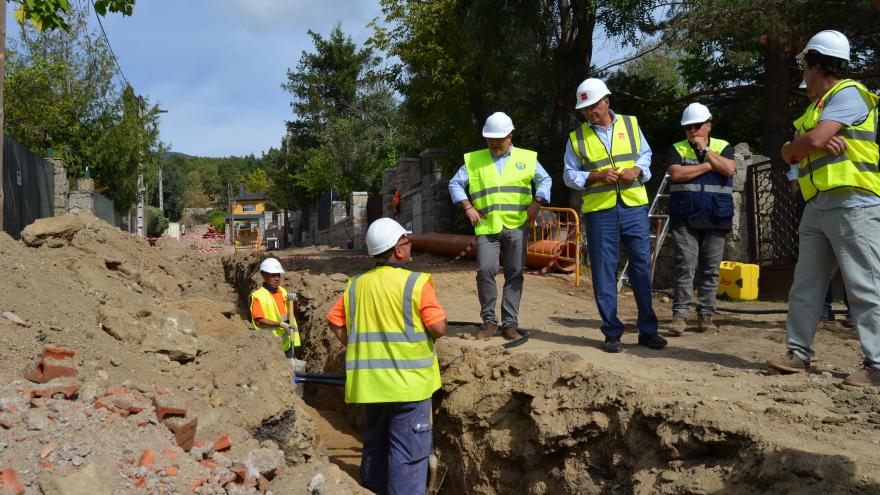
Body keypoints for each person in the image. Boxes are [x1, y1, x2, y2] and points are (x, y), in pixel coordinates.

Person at [767, 30, 880, 386]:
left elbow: (810, 142)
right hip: (818, 203)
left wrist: (800, 145)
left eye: (804, 64)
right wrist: (795, 147)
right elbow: (798, 149)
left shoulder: (848, 95)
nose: (802, 71)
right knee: (806, 284)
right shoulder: (818, 108)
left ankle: (877, 365)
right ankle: (798, 354)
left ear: (816, 64)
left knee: (865, 284)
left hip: (854, 200)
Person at [327, 218, 447, 495]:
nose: (410, 244)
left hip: (371, 385)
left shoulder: (356, 285)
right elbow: (438, 327)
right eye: (407, 240)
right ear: (398, 250)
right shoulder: (416, 283)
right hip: (409, 385)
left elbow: (335, 321)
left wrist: (358, 344)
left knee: (376, 447)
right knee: (407, 454)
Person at [563, 78, 667, 353]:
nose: (589, 112)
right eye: (585, 109)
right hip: (600, 213)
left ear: (607, 101)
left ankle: (648, 331)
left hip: (633, 205)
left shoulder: (631, 124)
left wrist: (638, 169)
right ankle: (611, 332)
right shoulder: (576, 138)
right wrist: (594, 176)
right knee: (603, 272)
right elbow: (569, 175)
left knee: (642, 267)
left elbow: (646, 154)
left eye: (593, 106)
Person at [448, 112, 552, 340]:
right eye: (490, 139)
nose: (495, 143)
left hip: (517, 225)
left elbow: (545, 180)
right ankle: (489, 321)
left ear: (510, 136)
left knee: (515, 273)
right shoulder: (474, 160)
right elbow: (455, 183)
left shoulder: (528, 158)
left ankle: (510, 324)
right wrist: (467, 207)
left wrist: (538, 202)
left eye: (499, 138)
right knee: (485, 270)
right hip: (487, 226)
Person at [666, 103, 737, 335]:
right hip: (685, 216)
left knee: (711, 269)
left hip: (717, 216)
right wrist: (709, 165)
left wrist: (706, 153)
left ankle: (706, 314)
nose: (692, 131)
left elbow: (728, 169)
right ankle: (680, 315)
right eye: (688, 128)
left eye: (697, 126)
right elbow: (676, 174)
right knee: (685, 265)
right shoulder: (678, 148)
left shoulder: (722, 146)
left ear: (708, 125)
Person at [249, 257, 302, 370]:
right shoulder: (258, 296)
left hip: (287, 342)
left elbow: (291, 313)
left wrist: (295, 303)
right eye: (273, 275)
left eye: (278, 275)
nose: (277, 278)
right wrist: (280, 324)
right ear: (264, 276)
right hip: (270, 345)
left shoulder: (283, 291)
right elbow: (259, 320)